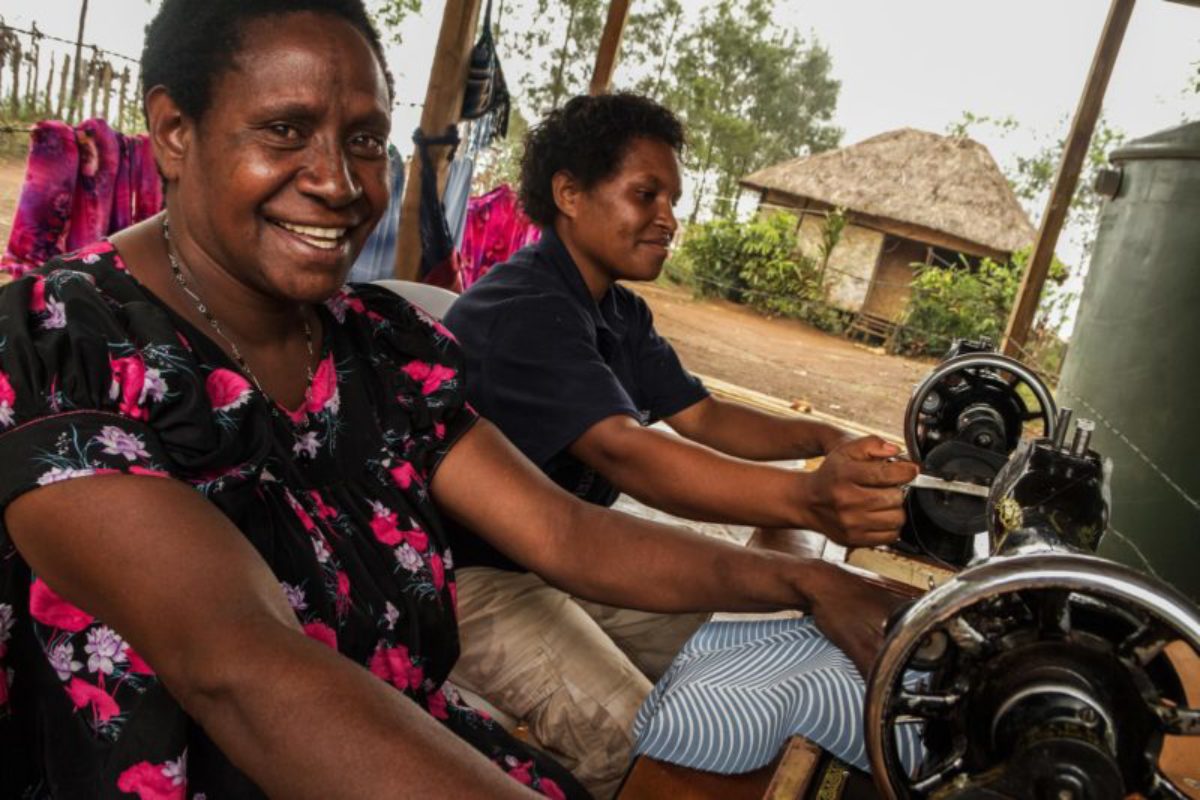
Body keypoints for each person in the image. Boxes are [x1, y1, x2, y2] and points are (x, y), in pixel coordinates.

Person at [0, 4, 912, 797]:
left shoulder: (378, 348)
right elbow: (241, 667)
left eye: (364, 139)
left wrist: (807, 576)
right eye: (284, 130)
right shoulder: (60, 348)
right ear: (173, 130)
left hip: (395, 735)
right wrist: (804, 508)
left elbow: (564, 534)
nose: (340, 182)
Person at [443, 93, 919, 795]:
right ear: (569, 193)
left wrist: (829, 434)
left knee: (741, 660)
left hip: (556, 555)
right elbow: (628, 454)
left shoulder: (616, 311)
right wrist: (808, 502)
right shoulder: (526, 312)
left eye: (672, 198)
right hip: (470, 578)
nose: (669, 218)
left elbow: (705, 417)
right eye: (647, 194)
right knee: (651, 749)